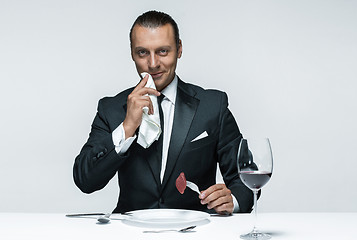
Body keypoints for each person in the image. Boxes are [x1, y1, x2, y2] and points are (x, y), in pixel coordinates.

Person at [73, 10, 253, 215]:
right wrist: (127, 127)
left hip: (196, 230)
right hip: (130, 232)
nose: (152, 64)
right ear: (132, 53)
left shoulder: (213, 105)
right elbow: (84, 180)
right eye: (142, 52)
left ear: (179, 49)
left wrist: (233, 200)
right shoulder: (111, 108)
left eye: (162, 51)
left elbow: (246, 176)